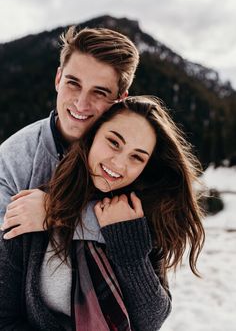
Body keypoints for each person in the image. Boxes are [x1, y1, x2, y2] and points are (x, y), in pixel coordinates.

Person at [0, 96, 205, 331]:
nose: (118, 164)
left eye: (136, 157)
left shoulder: (138, 215)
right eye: (114, 143)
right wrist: (60, 214)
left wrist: (129, 247)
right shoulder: (32, 209)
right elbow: (4, 319)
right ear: (92, 136)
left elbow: (151, 320)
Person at [0, 25, 139, 234]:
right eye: (73, 83)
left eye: (99, 92)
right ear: (58, 79)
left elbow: (152, 228)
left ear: (120, 100)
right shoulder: (13, 158)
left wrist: (55, 212)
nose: (81, 104)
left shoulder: (133, 154)